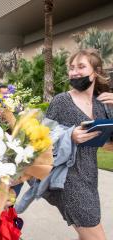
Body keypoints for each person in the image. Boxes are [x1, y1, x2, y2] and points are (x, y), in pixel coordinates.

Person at [44, 49, 113, 240]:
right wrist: (69, 136)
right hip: (68, 178)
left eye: (81, 67)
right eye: (71, 68)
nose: (74, 72)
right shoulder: (61, 101)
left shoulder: (101, 105)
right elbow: (41, 139)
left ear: (96, 72)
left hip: (90, 177)